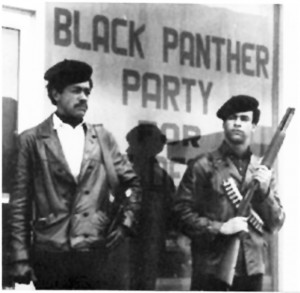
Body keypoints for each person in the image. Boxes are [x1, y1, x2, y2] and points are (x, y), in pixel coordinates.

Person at [9, 59, 142, 289]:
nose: (84, 98)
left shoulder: (102, 138)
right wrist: (20, 257)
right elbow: (20, 203)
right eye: (76, 90)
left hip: (94, 250)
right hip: (50, 252)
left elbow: (133, 185)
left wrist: (125, 225)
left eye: (87, 92)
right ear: (56, 94)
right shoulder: (31, 140)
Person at [173, 95, 285, 291]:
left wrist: (265, 192)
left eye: (244, 119)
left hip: (252, 269)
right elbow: (179, 213)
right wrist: (220, 228)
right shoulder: (203, 165)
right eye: (232, 118)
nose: (237, 123)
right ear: (224, 124)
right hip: (212, 268)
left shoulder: (262, 170)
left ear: (253, 127)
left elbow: (276, 223)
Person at [126, 124, 175, 290]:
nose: (127, 151)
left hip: (139, 247)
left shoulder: (149, 177)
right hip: (146, 248)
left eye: (132, 145)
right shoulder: (160, 177)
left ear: (144, 147)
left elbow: (154, 218)